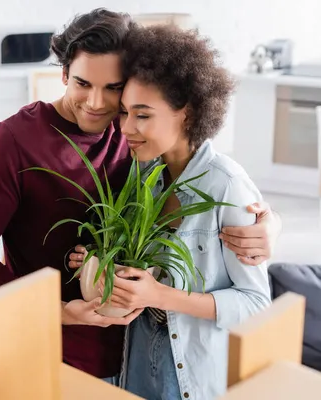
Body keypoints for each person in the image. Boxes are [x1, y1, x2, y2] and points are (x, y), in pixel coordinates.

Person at [0, 8, 280, 383]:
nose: (96, 103)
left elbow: (203, 181)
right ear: (62, 74)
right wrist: (57, 310)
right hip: (52, 350)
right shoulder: (12, 143)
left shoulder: (133, 137)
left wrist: (268, 223)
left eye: (113, 89)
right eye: (82, 84)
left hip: (137, 356)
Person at [68, 24, 272, 399]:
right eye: (126, 112)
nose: (125, 127)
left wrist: (159, 295)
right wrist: (95, 260)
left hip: (190, 373)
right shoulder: (143, 171)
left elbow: (256, 304)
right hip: (137, 358)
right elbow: (131, 257)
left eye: (142, 115)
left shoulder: (226, 186)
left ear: (188, 114)